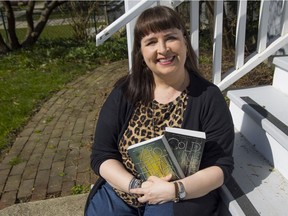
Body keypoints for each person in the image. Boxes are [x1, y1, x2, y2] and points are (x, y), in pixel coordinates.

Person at [85, 5, 234, 216]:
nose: (163, 49)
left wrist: (175, 190)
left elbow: (220, 167)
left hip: (182, 196)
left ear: (184, 41)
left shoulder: (209, 97)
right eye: (151, 42)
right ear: (141, 51)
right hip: (125, 189)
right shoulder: (124, 93)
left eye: (170, 38)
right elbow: (102, 155)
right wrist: (136, 186)